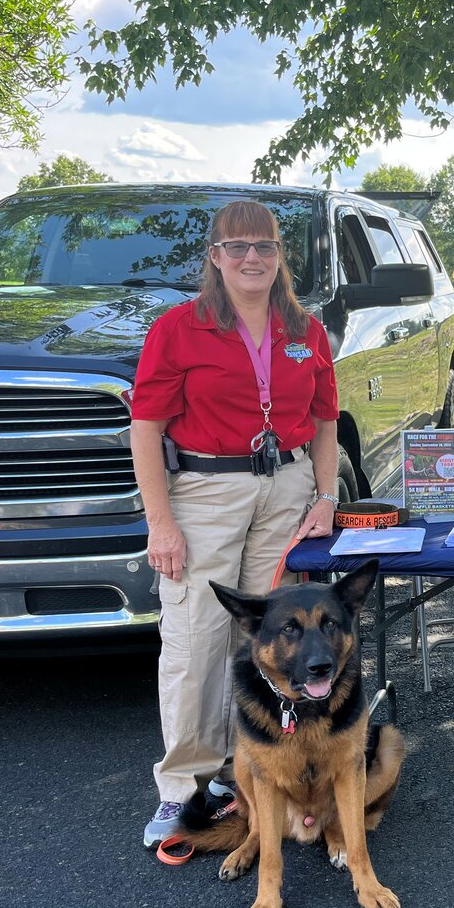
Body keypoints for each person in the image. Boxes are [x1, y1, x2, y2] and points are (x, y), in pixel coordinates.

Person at [130, 200, 341, 848]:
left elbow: (328, 420)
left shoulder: (306, 328)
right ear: (215, 257)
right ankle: (182, 786)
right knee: (197, 639)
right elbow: (145, 426)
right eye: (238, 246)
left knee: (270, 638)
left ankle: (240, 769)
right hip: (206, 491)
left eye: (266, 246)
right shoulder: (179, 329)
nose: (253, 258)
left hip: (287, 490)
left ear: (281, 258)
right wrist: (160, 522)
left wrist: (327, 495)